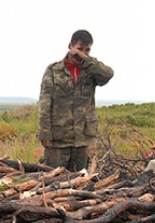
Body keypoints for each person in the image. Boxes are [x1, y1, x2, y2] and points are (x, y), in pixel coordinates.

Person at [38, 29, 114, 172]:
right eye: (79, 49)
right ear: (70, 46)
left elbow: (108, 75)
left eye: (87, 50)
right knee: (53, 181)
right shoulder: (53, 70)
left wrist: (86, 59)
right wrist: (45, 133)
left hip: (83, 139)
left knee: (80, 181)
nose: (82, 53)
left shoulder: (91, 70)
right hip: (58, 139)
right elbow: (45, 103)